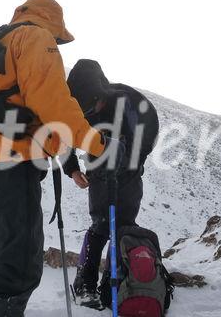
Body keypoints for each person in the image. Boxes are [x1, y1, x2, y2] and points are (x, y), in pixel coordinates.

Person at [0, 0, 120, 317]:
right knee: (15, 271)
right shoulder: (36, 37)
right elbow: (55, 106)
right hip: (9, 165)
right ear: (53, 24)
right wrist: (100, 145)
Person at [62, 59, 159, 308]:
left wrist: (134, 163)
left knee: (125, 225)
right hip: (99, 171)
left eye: (94, 104)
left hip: (130, 171)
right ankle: (84, 284)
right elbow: (64, 138)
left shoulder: (129, 101)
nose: (92, 111)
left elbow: (148, 133)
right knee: (101, 225)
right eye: (86, 110)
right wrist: (72, 169)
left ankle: (114, 282)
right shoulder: (74, 107)